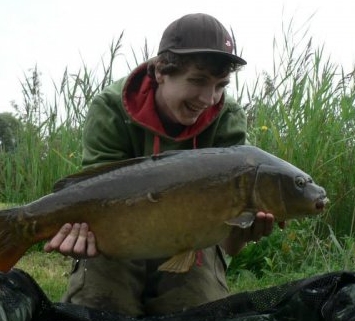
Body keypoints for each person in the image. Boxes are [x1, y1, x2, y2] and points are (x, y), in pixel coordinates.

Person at [44, 13, 284, 317]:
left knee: (198, 309)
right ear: (160, 71)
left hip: (194, 240)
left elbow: (230, 241)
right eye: (197, 81)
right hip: (119, 232)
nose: (209, 98)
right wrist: (80, 233)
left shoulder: (227, 117)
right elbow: (96, 193)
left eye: (220, 85)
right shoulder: (110, 107)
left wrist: (245, 229)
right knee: (102, 306)